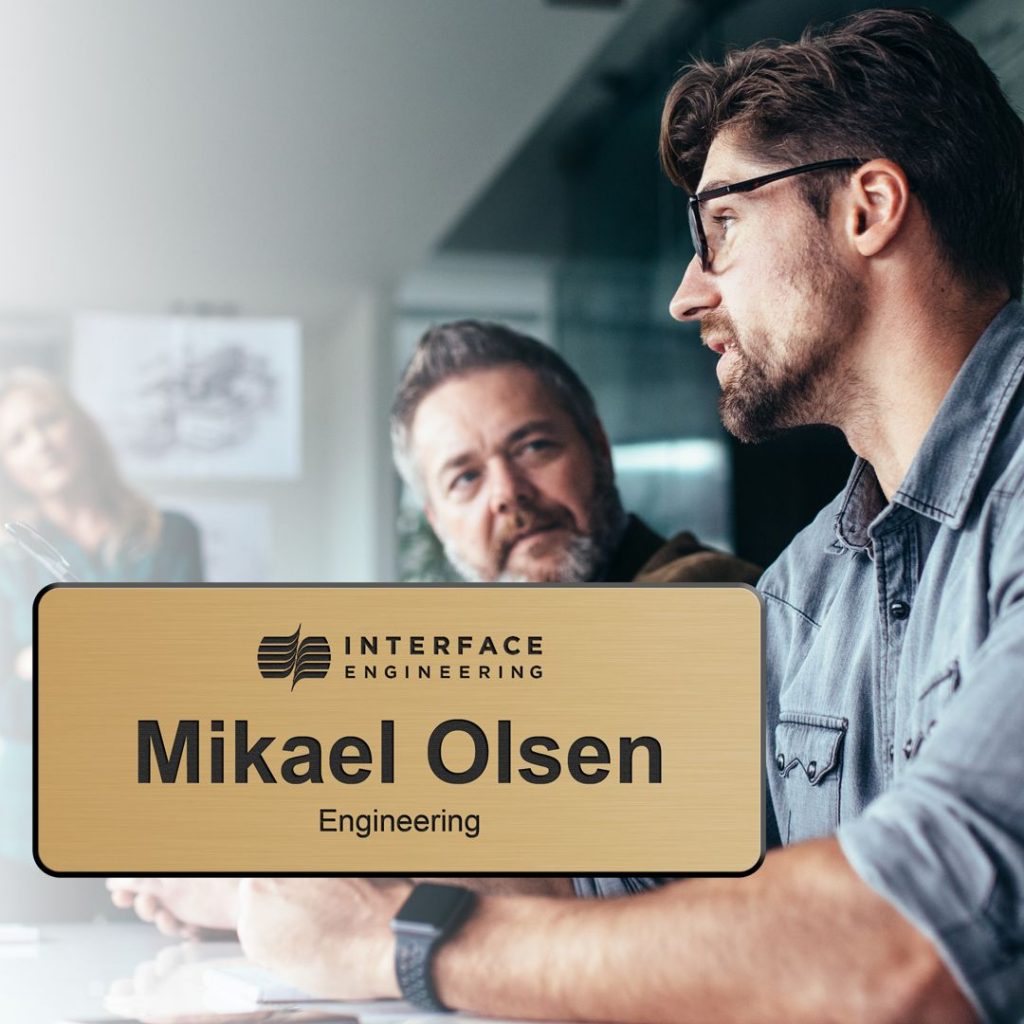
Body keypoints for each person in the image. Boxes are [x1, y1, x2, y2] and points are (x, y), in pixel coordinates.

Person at [229, 9, 1024, 1022]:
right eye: (460, 478)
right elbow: (637, 884)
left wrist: (414, 940)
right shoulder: (808, 590)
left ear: (868, 207)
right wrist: (321, 887)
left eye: (721, 225)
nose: (686, 295)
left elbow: (909, 945)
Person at [108, 320, 761, 933]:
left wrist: (251, 892)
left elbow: (581, 873)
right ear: (437, 519)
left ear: (596, 446)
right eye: (464, 478)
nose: (506, 493)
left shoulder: (707, 597)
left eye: (533, 447)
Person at [0, 367, 204, 918]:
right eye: (17, 438)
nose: (40, 443)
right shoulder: (10, 551)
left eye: (48, 422)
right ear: (8, 466)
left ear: (80, 427)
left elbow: (192, 658)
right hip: (31, 810)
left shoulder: (172, 535)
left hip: (148, 792)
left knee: (154, 967)